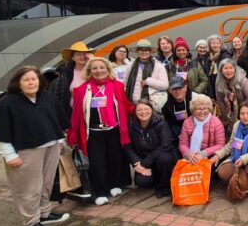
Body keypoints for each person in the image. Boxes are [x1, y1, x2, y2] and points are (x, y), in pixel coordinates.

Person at [0, 66, 71, 226]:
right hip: (25, 152)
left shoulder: (47, 97)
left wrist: (59, 142)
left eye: (34, 79)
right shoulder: (8, 102)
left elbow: (56, 122)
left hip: (50, 147)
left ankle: (45, 213)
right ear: (18, 83)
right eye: (26, 80)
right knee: (28, 188)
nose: (31, 82)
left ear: (40, 80)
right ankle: (31, 222)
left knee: (46, 183)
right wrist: (9, 155)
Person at [68, 57, 133, 206]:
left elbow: (125, 105)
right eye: (95, 68)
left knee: (114, 158)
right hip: (93, 131)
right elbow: (76, 113)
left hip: (114, 129)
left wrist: (142, 110)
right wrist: (72, 133)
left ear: (108, 70)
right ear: (90, 71)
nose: (99, 71)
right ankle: (100, 191)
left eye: (102, 67)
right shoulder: (82, 89)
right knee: (97, 162)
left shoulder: (117, 85)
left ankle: (114, 184)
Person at [210, 103, 248, 193]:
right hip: (237, 156)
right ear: (239, 115)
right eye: (242, 113)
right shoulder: (237, 125)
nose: (245, 116)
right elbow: (231, 145)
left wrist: (243, 159)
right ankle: (243, 177)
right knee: (223, 172)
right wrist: (218, 155)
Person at [124, 99, 179, 198]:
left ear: (151, 109)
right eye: (139, 110)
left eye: (146, 109)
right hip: (144, 160)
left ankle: (164, 188)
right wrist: (137, 163)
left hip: (160, 157)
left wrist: (144, 164)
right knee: (142, 182)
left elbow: (165, 145)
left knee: (165, 158)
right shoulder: (131, 126)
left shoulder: (161, 123)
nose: (143, 112)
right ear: (135, 113)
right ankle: (158, 178)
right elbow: (128, 147)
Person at [49, 41, 95, 118]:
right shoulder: (65, 75)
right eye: (78, 54)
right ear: (72, 57)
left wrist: (93, 60)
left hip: (93, 113)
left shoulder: (95, 71)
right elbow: (59, 97)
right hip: (72, 115)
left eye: (84, 54)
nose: (82, 57)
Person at [178, 94, 226, 165]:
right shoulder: (187, 122)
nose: (202, 112)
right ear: (193, 110)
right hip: (191, 156)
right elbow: (182, 144)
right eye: (199, 109)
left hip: (209, 156)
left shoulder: (216, 122)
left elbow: (220, 144)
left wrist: (203, 153)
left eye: (205, 108)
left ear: (209, 109)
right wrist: (188, 154)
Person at [214, 58, 248, 134]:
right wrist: (226, 117)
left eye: (231, 68)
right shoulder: (219, 82)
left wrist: (239, 113)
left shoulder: (243, 80)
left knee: (245, 128)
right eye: (226, 68)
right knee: (231, 130)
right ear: (221, 70)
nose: (229, 71)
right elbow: (220, 100)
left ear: (235, 69)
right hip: (231, 109)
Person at [123, 39, 169, 104]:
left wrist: (148, 81)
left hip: (152, 104)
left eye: (146, 50)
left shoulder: (158, 66)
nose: (143, 52)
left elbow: (165, 85)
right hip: (133, 104)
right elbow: (124, 84)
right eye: (141, 49)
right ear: (137, 51)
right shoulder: (130, 65)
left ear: (150, 52)